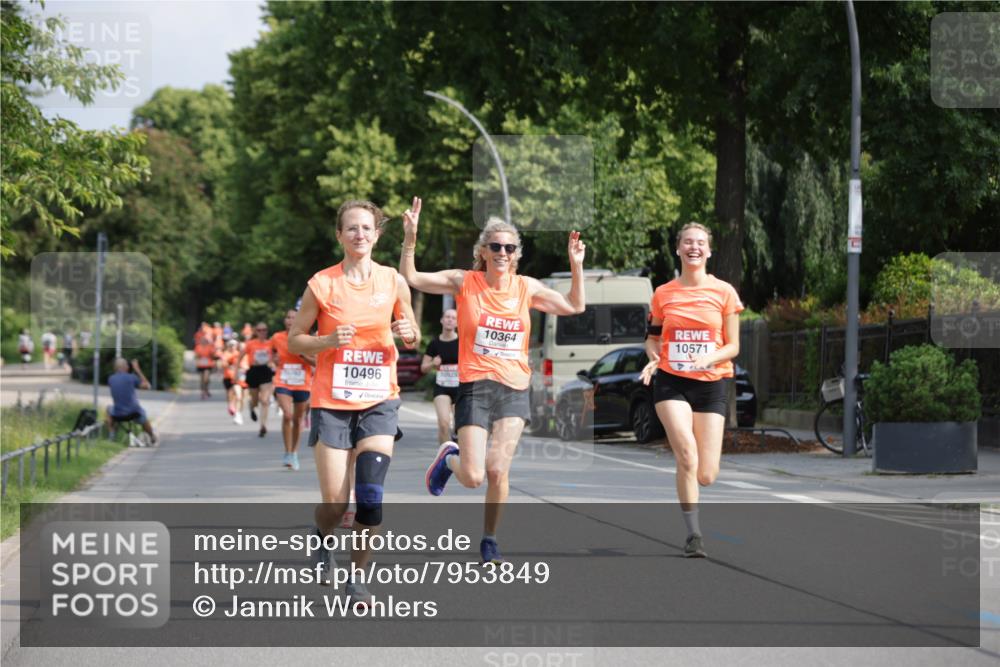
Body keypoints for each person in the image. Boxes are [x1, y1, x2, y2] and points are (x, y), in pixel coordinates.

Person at [399, 196, 586, 564]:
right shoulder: (464, 282)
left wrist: (576, 267)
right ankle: (448, 458)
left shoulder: (526, 288)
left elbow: (574, 306)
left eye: (509, 247)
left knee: (498, 469)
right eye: (495, 246)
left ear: (516, 254)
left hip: (514, 387)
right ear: (483, 251)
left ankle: (489, 539)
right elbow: (412, 277)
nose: (502, 252)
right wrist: (410, 239)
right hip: (475, 387)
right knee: (472, 476)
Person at [288, 199, 419, 606]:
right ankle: (323, 538)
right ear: (339, 235)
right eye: (352, 228)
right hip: (331, 401)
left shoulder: (393, 280)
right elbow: (296, 339)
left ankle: (357, 578)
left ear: (377, 235)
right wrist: (327, 340)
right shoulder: (322, 284)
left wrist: (408, 331)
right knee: (335, 502)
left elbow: (412, 332)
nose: (359, 235)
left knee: (370, 495)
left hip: (380, 400)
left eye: (367, 228)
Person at [639, 222, 743, 559]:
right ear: (679, 249)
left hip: (712, 383)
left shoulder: (724, 292)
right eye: (687, 242)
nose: (694, 247)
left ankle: (696, 497)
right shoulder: (663, 293)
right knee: (685, 453)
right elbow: (652, 337)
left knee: (707, 474)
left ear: (709, 251)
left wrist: (708, 357)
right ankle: (694, 534)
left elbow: (733, 346)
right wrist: (653, 358)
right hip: (671, 381)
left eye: (700, 242)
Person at [271, 308, 315, 470]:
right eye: (288, 317)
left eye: (294, 318)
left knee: (297, 419)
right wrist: (274, 359)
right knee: (288, 415)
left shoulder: (307, 338)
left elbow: (316, 363)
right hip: (283, 381)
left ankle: (294, 453)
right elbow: (271, 354)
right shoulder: (277, 337)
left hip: (302, 382)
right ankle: (287, 452)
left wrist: (302, 355)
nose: (290, 320)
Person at [421, 308, 460, 445]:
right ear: (442, 320)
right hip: (442, 387)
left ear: (457, 323)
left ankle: (459, 450)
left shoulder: (462, 342)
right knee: (444, 424)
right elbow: (423, 368)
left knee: (459, 426)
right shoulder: (434, 343)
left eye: (453, 318)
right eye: (447, 317)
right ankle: (444, 456)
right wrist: (433, 363)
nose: (450, 320)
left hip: (460, 388)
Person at [106, 357, 157, 444]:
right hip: (134, 413)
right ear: (125, 367)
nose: (128, 367)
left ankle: (112, 435)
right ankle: (152, 436)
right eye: (127, 365)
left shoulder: (111, 379)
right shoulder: (132, 377)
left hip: (118, 414)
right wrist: (138, 370)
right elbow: (148, 386)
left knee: (108, 409)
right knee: (143, 414)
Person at [239, 322, 276, 438]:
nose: (262, 332)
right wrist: (236, 372)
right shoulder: (251, 344)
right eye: (259, 330)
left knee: (265, 401)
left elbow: (278, 355)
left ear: (267, 331)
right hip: (254, 372)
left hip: (266, 371)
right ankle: (251, 405)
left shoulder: (271, 343)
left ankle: (263, 426)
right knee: (255, 400)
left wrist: (274, 363)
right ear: (256, 332)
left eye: (264, 330)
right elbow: (239, 357)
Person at [220, 339, 245, 424]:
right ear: (228, 346)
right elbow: (223, 364)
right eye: (231, 345)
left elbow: (244, 365)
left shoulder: (239, 354)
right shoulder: (225, 354)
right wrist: (229, 363)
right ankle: (231, 405)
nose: (232, 347)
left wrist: (242, 367)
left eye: (234, 345)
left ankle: (238, 414)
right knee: (230, 395)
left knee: (238, 395)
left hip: (237, 378)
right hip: (227, 377)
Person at [194, 334, 217, 400]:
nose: (203, 341)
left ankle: (206, 389)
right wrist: (198, 359)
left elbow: (213, 355)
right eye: (202, 340)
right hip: (200, 365)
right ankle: (203, 392)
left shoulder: (209, 347)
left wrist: (213, 361)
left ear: (207, 341)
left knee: (206, 379)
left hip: (208, 365)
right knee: (201, 379)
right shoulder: (198, 347)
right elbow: (196, 355)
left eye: (205, 340)